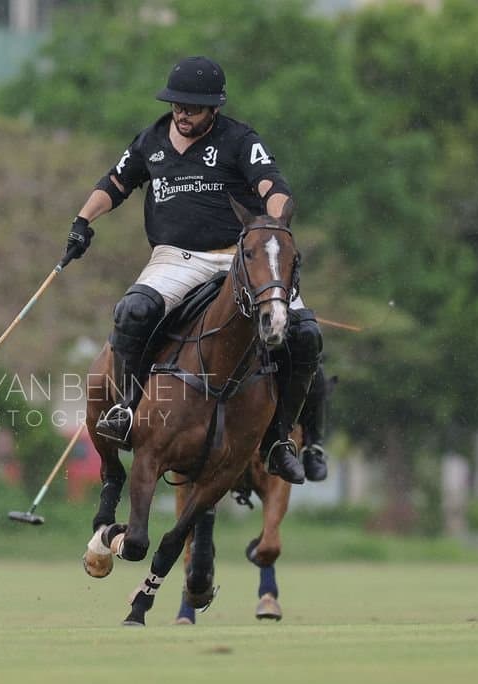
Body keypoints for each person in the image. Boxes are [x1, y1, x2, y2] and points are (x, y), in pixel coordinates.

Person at [63, 56, 323, 484]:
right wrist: (82, 221)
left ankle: (278, 441)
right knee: (133, 311)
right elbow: (115, 183)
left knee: (306, 335)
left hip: (241, 258)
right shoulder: (151, 139)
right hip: (175, 258)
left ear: (214, 109)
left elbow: (273, 188)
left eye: (193, 108)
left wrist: (274, 229)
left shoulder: (239, 139)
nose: (182, 114)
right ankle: (125, 409)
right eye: (177, 106)